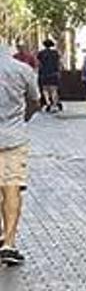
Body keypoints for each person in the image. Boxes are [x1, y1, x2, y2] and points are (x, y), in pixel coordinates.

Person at [0, 44, 41, 266]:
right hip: (13, 137)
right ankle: (9, 243)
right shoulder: (22, 69)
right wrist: (23, 118)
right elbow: (35, 101)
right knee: (11, 187)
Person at [36, 39, 61, 113]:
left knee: (45, 90)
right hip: (54, 73)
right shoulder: (55, 53)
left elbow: (39, 63)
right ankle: (54, 105)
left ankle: (48, 103)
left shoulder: (41, 53)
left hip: (44, 73)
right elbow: (58, 63)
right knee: (54, 90)